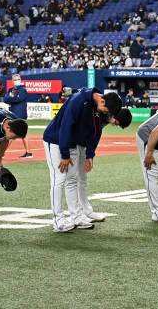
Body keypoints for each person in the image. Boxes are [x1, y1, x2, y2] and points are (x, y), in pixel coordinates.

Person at [43, 89, 122, 232]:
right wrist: (65, 154)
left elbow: (96, 132)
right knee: (58, 179)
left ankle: (76, 217)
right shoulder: (78, 101)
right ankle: (58, 220)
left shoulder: (97, 107)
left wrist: (90, 155)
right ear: (102, 101)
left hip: (72, 142)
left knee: (72, 179)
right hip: (55, 140)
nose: (105, 114)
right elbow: (66, 127)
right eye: (106, 110)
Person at [4, 74, 32, 158]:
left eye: (18, 79)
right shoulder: (10, 89)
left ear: (20, 79)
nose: (16, 81)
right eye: (15, 79)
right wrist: (12, 98)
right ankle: (28, 152)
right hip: (13, 113)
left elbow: (17, 99)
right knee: (22, 133)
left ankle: (1, 152)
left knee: (11, 132)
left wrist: (11, 98)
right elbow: (5, 99)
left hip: (20, 114)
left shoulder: (23, 90)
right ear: (12, 81)